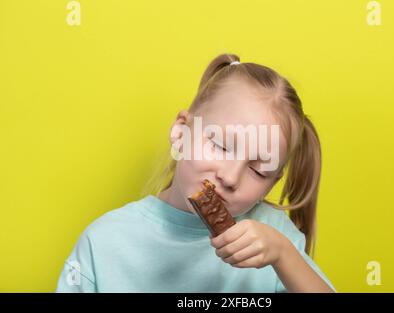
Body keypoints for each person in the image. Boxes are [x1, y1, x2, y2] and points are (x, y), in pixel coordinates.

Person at [56, 54, 335, 292]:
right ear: (181, 133)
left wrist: (284, 256)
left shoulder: (274, 240)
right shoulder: (105, 242)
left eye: (258, 170)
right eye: (221, 145)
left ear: (272, 183)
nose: (230, 177)